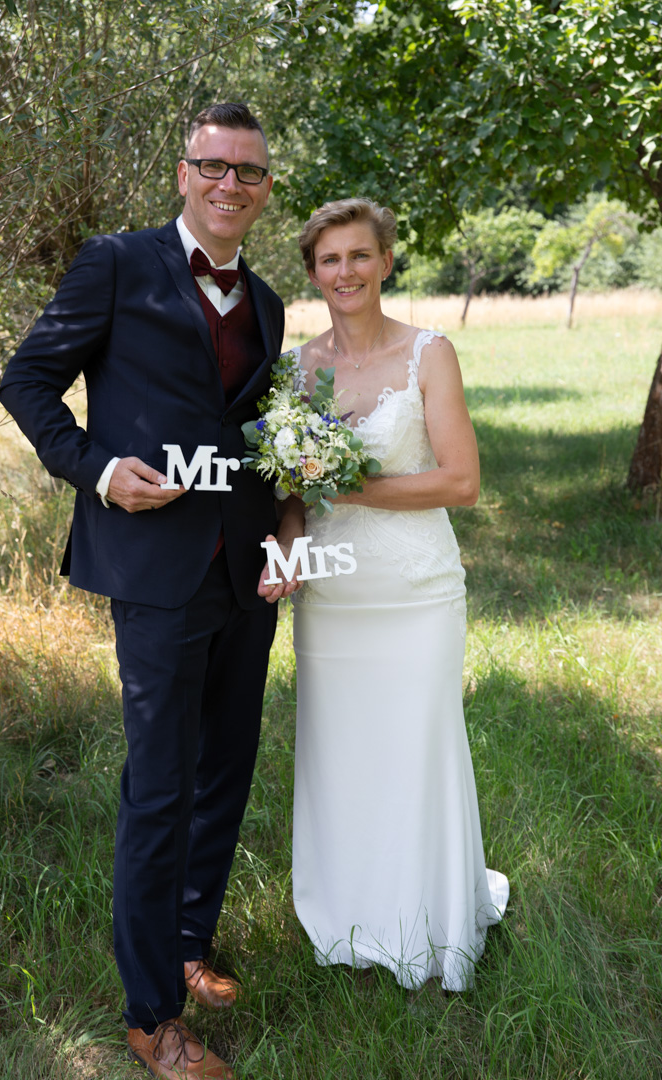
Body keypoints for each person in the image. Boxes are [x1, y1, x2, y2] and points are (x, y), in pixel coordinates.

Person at [0, 102, 299, 1080]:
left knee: (228, 767)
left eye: (248, 171)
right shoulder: (116, 264)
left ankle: (190, 941)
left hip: (246, 569)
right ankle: (149, 1017)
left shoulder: (268, 304)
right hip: (154, 571)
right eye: (214, 165)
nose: (229, 184)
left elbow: (257, 438)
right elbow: (27, 381)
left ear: (265, 189)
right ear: (183, 173)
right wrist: (96, 471)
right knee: (161, 786)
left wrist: (285, 534)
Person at [289, 198, 509, 992]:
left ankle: (429, 923)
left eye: (359, 255)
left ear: (386, 261)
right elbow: (288, 490)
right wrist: (287, 546)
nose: (345, 271)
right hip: (330, 595)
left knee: (417, 749)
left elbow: (462, 481)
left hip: (415, 591)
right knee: (340, 754)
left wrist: (349, 483)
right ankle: (350, 916)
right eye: (329, 259)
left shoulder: (429, 353)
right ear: (313, 273)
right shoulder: (297, 368)